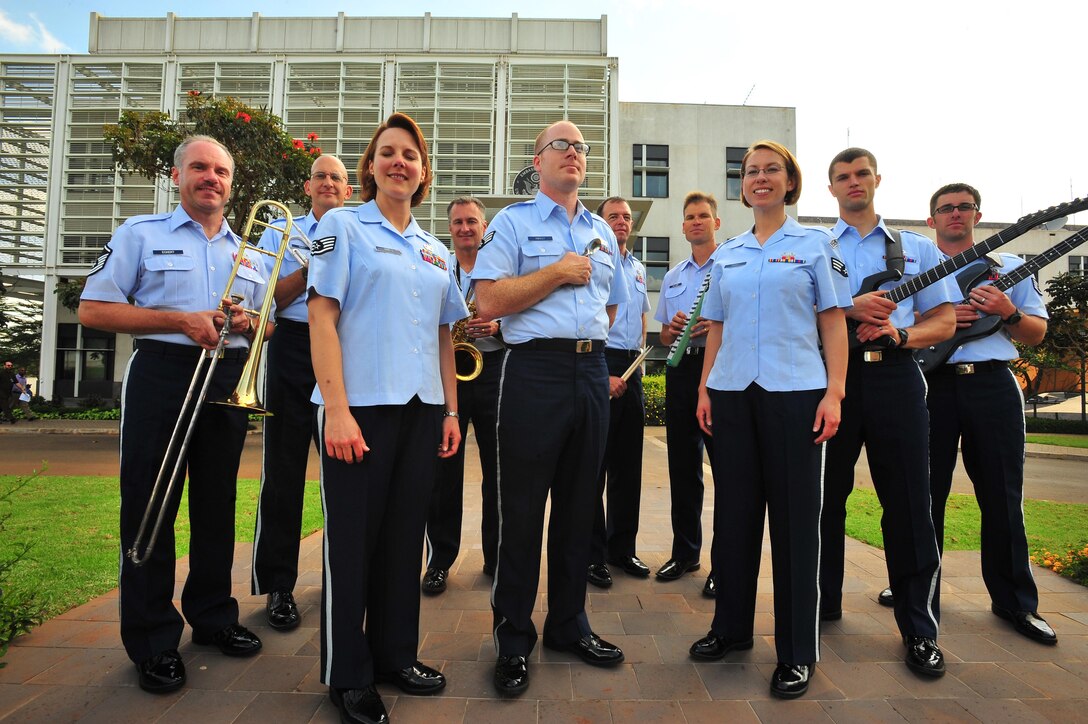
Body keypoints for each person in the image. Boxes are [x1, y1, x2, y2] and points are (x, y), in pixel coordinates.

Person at [78, 135, 267, 694]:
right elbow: (93, 309)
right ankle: (154, 639)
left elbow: (268, 322)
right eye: (201, 168)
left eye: (222, 171)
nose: (212, 178)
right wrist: (180, 320)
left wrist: (249, 322)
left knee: (217, 502)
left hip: (227, 376)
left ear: (232, 183)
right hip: (163, 371)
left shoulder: (249, 252)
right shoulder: (140, 234)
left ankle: (212, 617)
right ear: (177, 175)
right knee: (150, 503)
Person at [307, 112, 467, 724]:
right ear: (370, 166)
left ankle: (396, 654)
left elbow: (444, 335)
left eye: (411, 155)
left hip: (422, 411)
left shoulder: (434, 250)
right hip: (359, 411)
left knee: (404, 542)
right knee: (351, 548)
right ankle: (347, 674)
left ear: (423, 173)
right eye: (388, 153)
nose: (400, 162)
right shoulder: (342, 226)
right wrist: (338, 411)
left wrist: (451, 409)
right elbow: (322, 317)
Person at [688, 140, 850, 698]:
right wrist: (707, 387)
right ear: (743, 185)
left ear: (789, 181)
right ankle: (730, 629)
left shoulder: (815, 244)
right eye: (751, 171)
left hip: (796, 396)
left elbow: (833, 323)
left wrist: (835, 393)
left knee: (795, 524)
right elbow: (716, 326)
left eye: (770, 170)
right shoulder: (729, 251)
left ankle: (797, 651)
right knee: (733, 520)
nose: (759, 178)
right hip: (733, 395)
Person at [473, 119, 628, 696]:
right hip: (532, 371)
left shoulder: (603, 231)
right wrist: (557, 273)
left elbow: (611, 306)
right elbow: (487, 297)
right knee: (522, 510)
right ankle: (513, 638)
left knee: (578, 508)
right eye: (560, 146)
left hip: (589, 370)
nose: (573, 153)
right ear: (537, 161)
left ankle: (568, 624)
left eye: (581, 147)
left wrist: (584, 343)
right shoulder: (512, 222)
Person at [818, 147, 958, 678]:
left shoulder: (917, 248)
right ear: (830, 188)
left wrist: (903, 333)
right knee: (824, 500)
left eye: (861, 174)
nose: (853, 183)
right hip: (833, 379)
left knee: (908, 503)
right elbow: (799, 311)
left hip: (896, 377)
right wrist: (849, 307)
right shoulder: (816, 246)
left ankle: (920, 629)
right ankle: (820, 604)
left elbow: (944, 319)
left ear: (877, 180)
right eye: (842, 177)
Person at [917, 183, 1054, 644]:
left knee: (1002, 496)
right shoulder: (917, 268)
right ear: (931, 219)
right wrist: (938, 321)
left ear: (977, 214)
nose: (955, 214)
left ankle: (1016, 602)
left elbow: (1036, 334)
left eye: (964, 207)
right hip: (930, 385)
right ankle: (919, 596)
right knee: (924, 497)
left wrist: (1008, 310)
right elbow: (896, 325)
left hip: (992, 383)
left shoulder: (1009, 268)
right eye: (945, 208)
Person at [251, 154, 353, 631]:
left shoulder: (358, 227)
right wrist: (317, 261)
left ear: (349, 191)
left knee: (349, 472)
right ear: (308, 187)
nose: (328, 183)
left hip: (344, 345)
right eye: (321, 177)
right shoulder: (278, 231)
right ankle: (278, 586)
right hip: (292, 348)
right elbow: (268, 297)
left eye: (337, 177)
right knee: (284, 472)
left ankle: (348, 579)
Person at [421, 196, 503, 595]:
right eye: (458, 222)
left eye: (472, 221)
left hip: (495, 372)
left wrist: (499, 327)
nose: (465, 228)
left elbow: (523, 313)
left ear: (484, 227)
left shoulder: (501, 266)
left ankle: (496, 557)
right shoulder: (438, 266)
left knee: (499, 472)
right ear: (449, 227)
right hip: (447, 373)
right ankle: (439, 560)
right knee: (442, 473)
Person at [654, 191, 719, 597]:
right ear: (682, 226)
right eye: (690, 216)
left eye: (703, 216)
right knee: (682, 467)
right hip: (680, 370)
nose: (696, 222)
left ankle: (725, 561)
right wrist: (675, 327)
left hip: (718, 373)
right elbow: (661, 334)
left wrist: (716, 327)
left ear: (716, 223)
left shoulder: (729, 266)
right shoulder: (674, 275)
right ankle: (685, 552)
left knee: (728, 471)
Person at [587, 196, 652, 588]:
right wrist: (603, 373)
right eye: (613, 216)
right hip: (602, 363)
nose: (621, 222)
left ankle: (621, 549)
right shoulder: (595, 261)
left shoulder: (639, 268)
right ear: (602, 222)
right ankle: (592, 556)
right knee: (594, 468)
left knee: (629, 468)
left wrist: (638, 365)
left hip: (633, 368)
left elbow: (641, 315)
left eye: (626, 217)